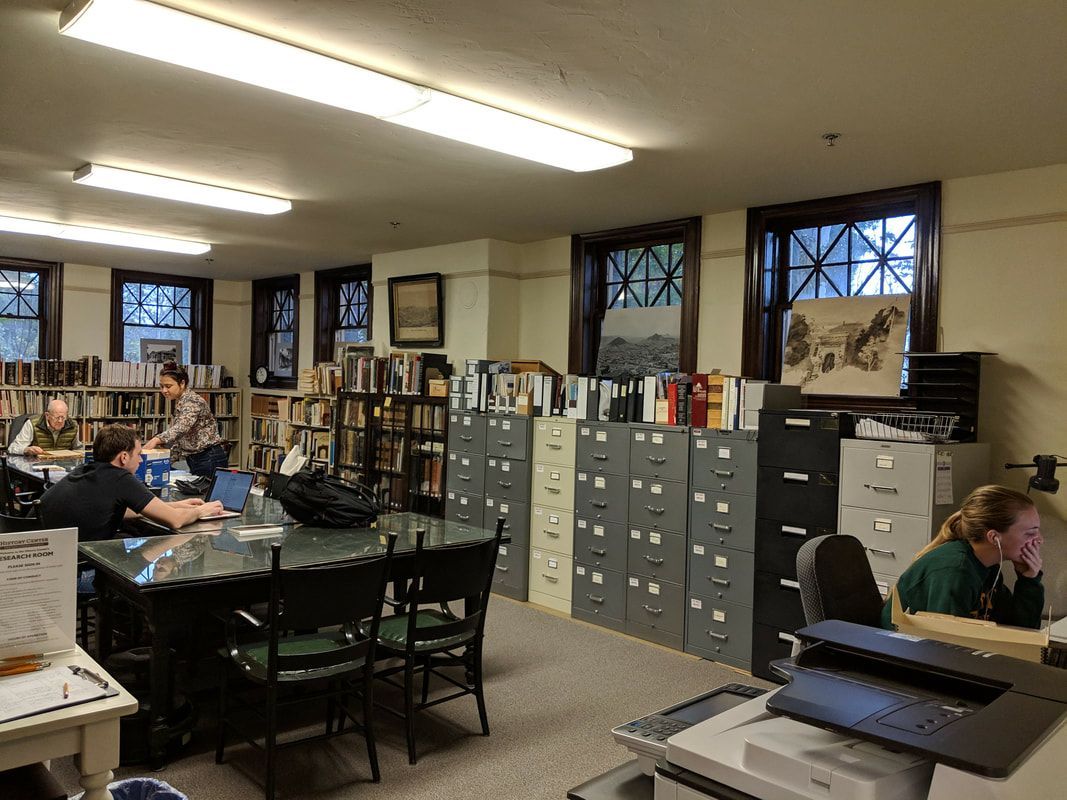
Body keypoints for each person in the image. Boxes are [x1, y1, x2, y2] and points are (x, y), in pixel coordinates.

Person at [881, 484, 1044, 629]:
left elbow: (1021, 630)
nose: (1040, 540)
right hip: (902, 655)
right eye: (1030, 533)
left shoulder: (988, 566)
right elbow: (945, 645)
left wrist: (1028, 580)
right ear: (994, 537)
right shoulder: (955, 571)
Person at [40, 424, 224, 542]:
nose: (141, 461)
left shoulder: (85, 470)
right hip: (82, 567)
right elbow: (175, 522)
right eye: (139, 455)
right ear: (124, 457)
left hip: (54, 561)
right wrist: (201, 511)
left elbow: (110, 509)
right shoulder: (120, 478)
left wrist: (172, 505)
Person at [143, 365, 229, 477]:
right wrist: (166, 459)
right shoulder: (181, 401)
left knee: (207, 493)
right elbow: (182, 438)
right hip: (196, 458)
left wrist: (156, 439)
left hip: (208, 458)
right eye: (161, 386)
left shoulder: (192, 401)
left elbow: (182, 428)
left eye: (168, 386)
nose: (164, 390)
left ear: (182, 383)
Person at [8, 398, 82, 455]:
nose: (60, 421)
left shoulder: (73, 425)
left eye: (63, 417)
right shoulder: (32, 423)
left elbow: (78, 449)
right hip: (37, 465)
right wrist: (26, 450)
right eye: (56, 417)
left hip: (65, 466)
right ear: (47, 415)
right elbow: (13, 448)